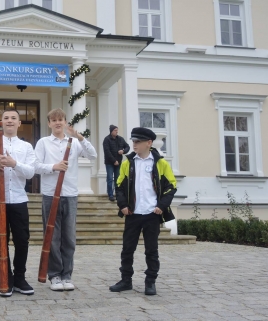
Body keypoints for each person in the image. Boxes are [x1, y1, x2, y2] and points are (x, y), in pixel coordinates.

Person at [34, 108, 97, 291]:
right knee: (52, 237)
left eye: (60, 119)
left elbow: (92, 155)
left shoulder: (74, 143)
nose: (58, 122)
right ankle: (54, 275)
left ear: (65, 122)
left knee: (69, 237)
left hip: (70, 193)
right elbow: (35, 166)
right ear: (49, 123)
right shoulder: (43, 142)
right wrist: (54, 167)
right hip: (49, 194)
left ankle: (67, 275)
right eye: (54, 120)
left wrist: (80, 137)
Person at [109, 127, 177, 296]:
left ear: (149, 143)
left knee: (151, 250)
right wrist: (123, 205)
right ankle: (126, 280)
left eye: (137, 142)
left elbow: (172, 186)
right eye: (133, 141)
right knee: (127, 249)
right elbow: (119, 186)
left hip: (152, 215)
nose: (134, 144)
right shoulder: (128, 163)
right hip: (133, 214)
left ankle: (150, 282)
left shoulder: (160, 163)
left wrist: (161, 206)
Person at [0, 109, 36, 297]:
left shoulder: (26, 147)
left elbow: (30, 173)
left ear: (19, 123)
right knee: (1, 238)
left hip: (18, 198)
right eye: (6, 118)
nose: (9, 121)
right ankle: (6, 277)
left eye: (13, 118)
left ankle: (20, 277)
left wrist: (14, 163)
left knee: (22, 239)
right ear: (0, 123)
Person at [103, 125, 130, 202]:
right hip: (109, 163)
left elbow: (127, 147)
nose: (116, 131)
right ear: (111, 131)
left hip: (119, 163)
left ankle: (118, 195)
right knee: (110, 178)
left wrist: (123, 151)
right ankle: (110, 195)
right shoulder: (107, 139)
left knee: (118, 179)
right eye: (115, 130)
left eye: (117, 130)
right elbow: (107, 151)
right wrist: (114, 161)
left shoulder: (121, 139)